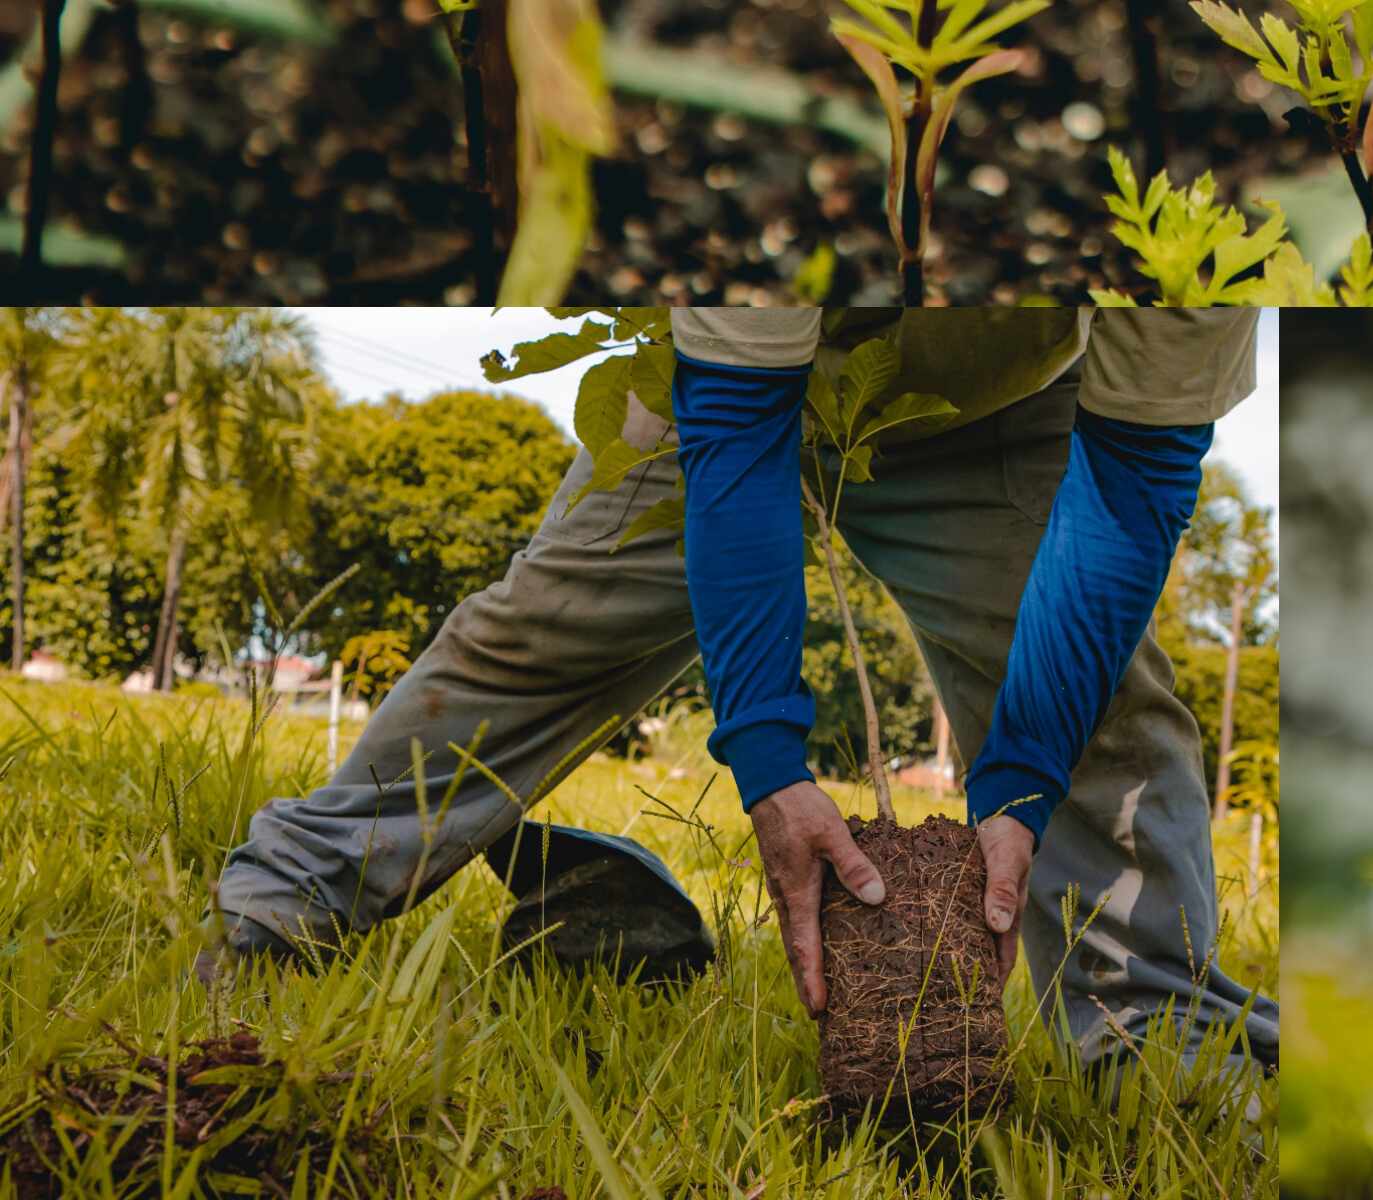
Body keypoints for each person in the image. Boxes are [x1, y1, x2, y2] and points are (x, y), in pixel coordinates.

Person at [212, 306, 1276, 1079]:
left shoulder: (1204, 213)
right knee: (541, 633)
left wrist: (1027, 774)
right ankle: (289, 899)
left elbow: (1135, 477)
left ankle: (1157, 1033)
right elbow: (734, 413)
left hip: (1001, 410)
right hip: (725, 395)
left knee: (1104, 725)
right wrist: (767, 760)